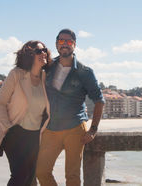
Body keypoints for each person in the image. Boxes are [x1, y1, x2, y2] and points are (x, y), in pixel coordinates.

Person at [36, 28, 105, 186]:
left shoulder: (85, 72)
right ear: (56, 44)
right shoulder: (48, 67)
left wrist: (93, 129)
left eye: (68, 41)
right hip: (51, 128)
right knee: (41, 171)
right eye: (61, 41)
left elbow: (99, 101)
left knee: (72, 176)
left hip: (75, 128)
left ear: (74, 45)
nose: (64, 44)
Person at [0, 40, 52, 186]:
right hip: (15, 132)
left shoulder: (45, 77)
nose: (43, 53)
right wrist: (9, 128)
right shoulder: (16, 75)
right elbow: (0, 103)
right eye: (39, 51)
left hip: (35, 136)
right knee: (20, 176)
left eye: (44, 50)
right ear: (29, 55)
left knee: (30, 176)